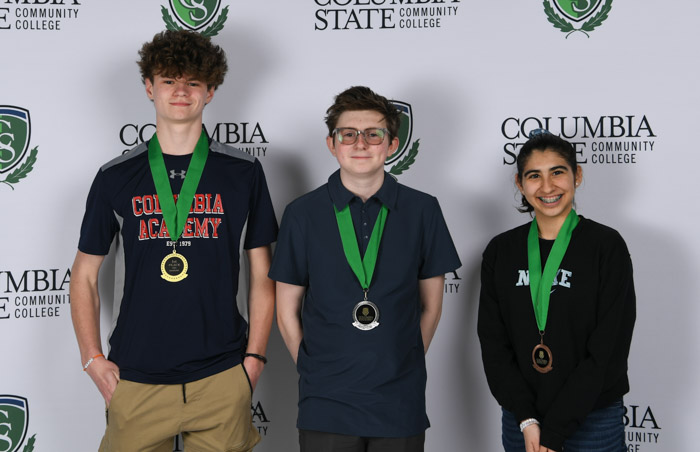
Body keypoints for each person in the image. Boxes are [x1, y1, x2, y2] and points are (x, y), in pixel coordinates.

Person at [70, 30, 277, 452]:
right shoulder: (115, 176)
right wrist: (93, 360)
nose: (181, 91)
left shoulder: (243, 173)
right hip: (136, 376)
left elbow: (263, 273)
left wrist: (253, 361)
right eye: (168, 80)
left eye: (193, 82)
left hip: (222, 375)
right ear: (149, 87)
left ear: (211, 90)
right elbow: (85, 276)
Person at [270, 86, 461, 452]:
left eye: (373, 134)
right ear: (332, 143)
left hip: (398, 404)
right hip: (325, 405)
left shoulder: (423, 210)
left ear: (392, 144)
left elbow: (432, 307)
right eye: (349, 134)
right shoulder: (302, 214)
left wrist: (400, 364)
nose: (361, 143)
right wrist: (314, 372)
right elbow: (285, 311)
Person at [477, 130, 636, 452]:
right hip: (523, 422)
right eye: (534, 176)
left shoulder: (606, 246)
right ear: (521, 184)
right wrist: (526, 418)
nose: (547, 187)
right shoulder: (501, 251)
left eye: (558, 172)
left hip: (593, 419)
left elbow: (609, 349)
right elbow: (493, 343)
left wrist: (556, 430)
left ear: (577, 175)